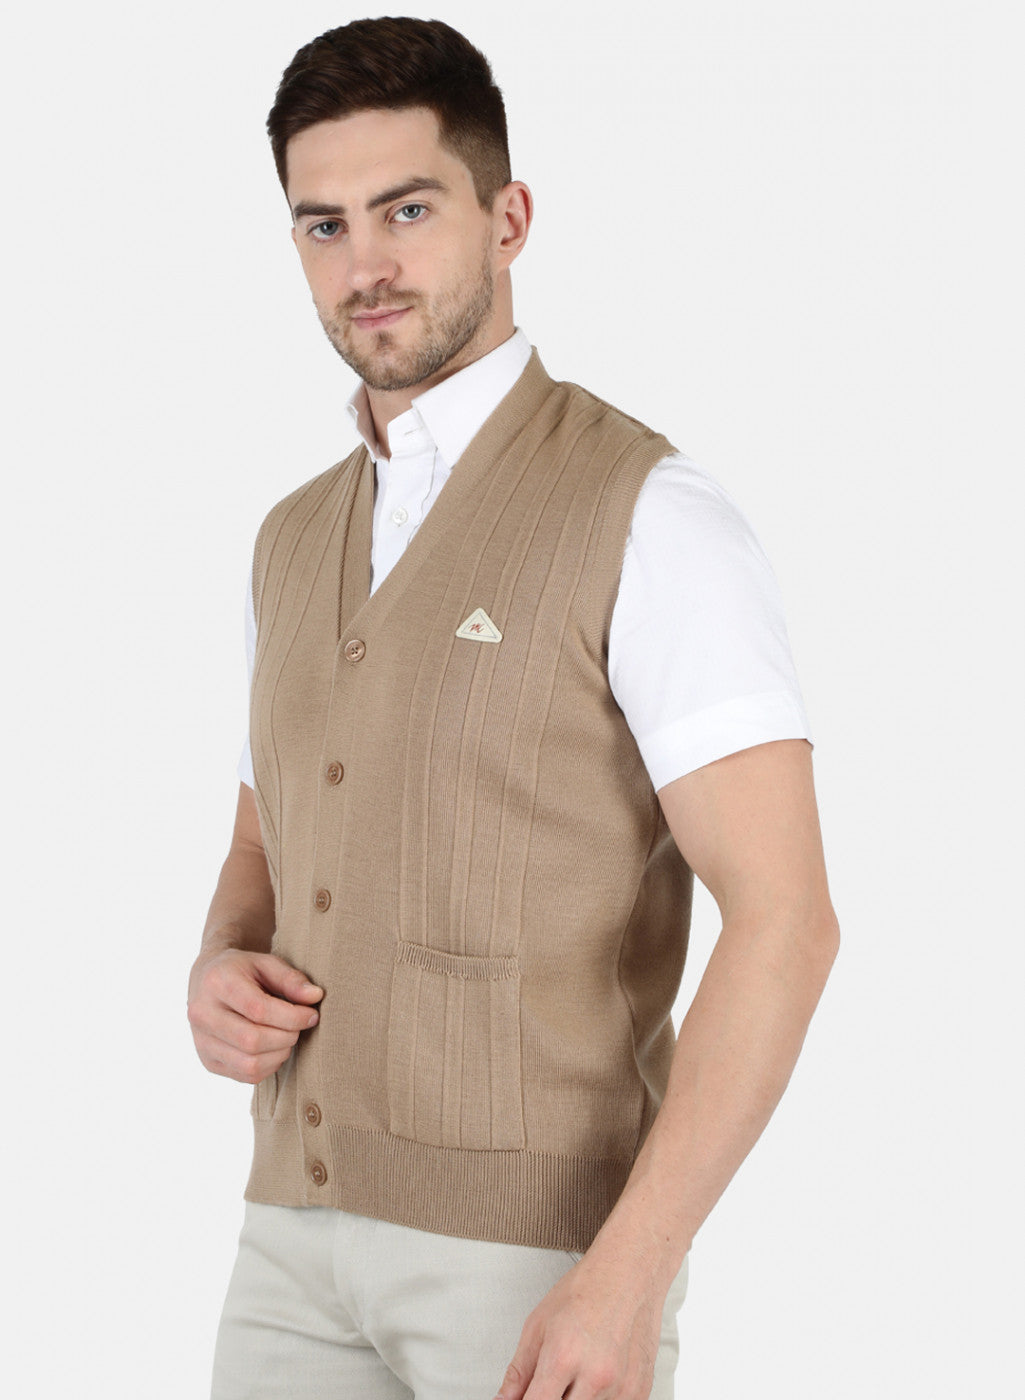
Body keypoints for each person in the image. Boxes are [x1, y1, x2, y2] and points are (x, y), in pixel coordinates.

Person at [187, 17, 840, 1400]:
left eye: (407, 210)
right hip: (287, 1242)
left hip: (538, 1263)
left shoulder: (648, 513)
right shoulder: (288, 540)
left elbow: (786, 922)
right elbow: (265, 828)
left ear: (508, 218)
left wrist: (629, 1274)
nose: (365, 265)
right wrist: (219, 959)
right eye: (322, 225)